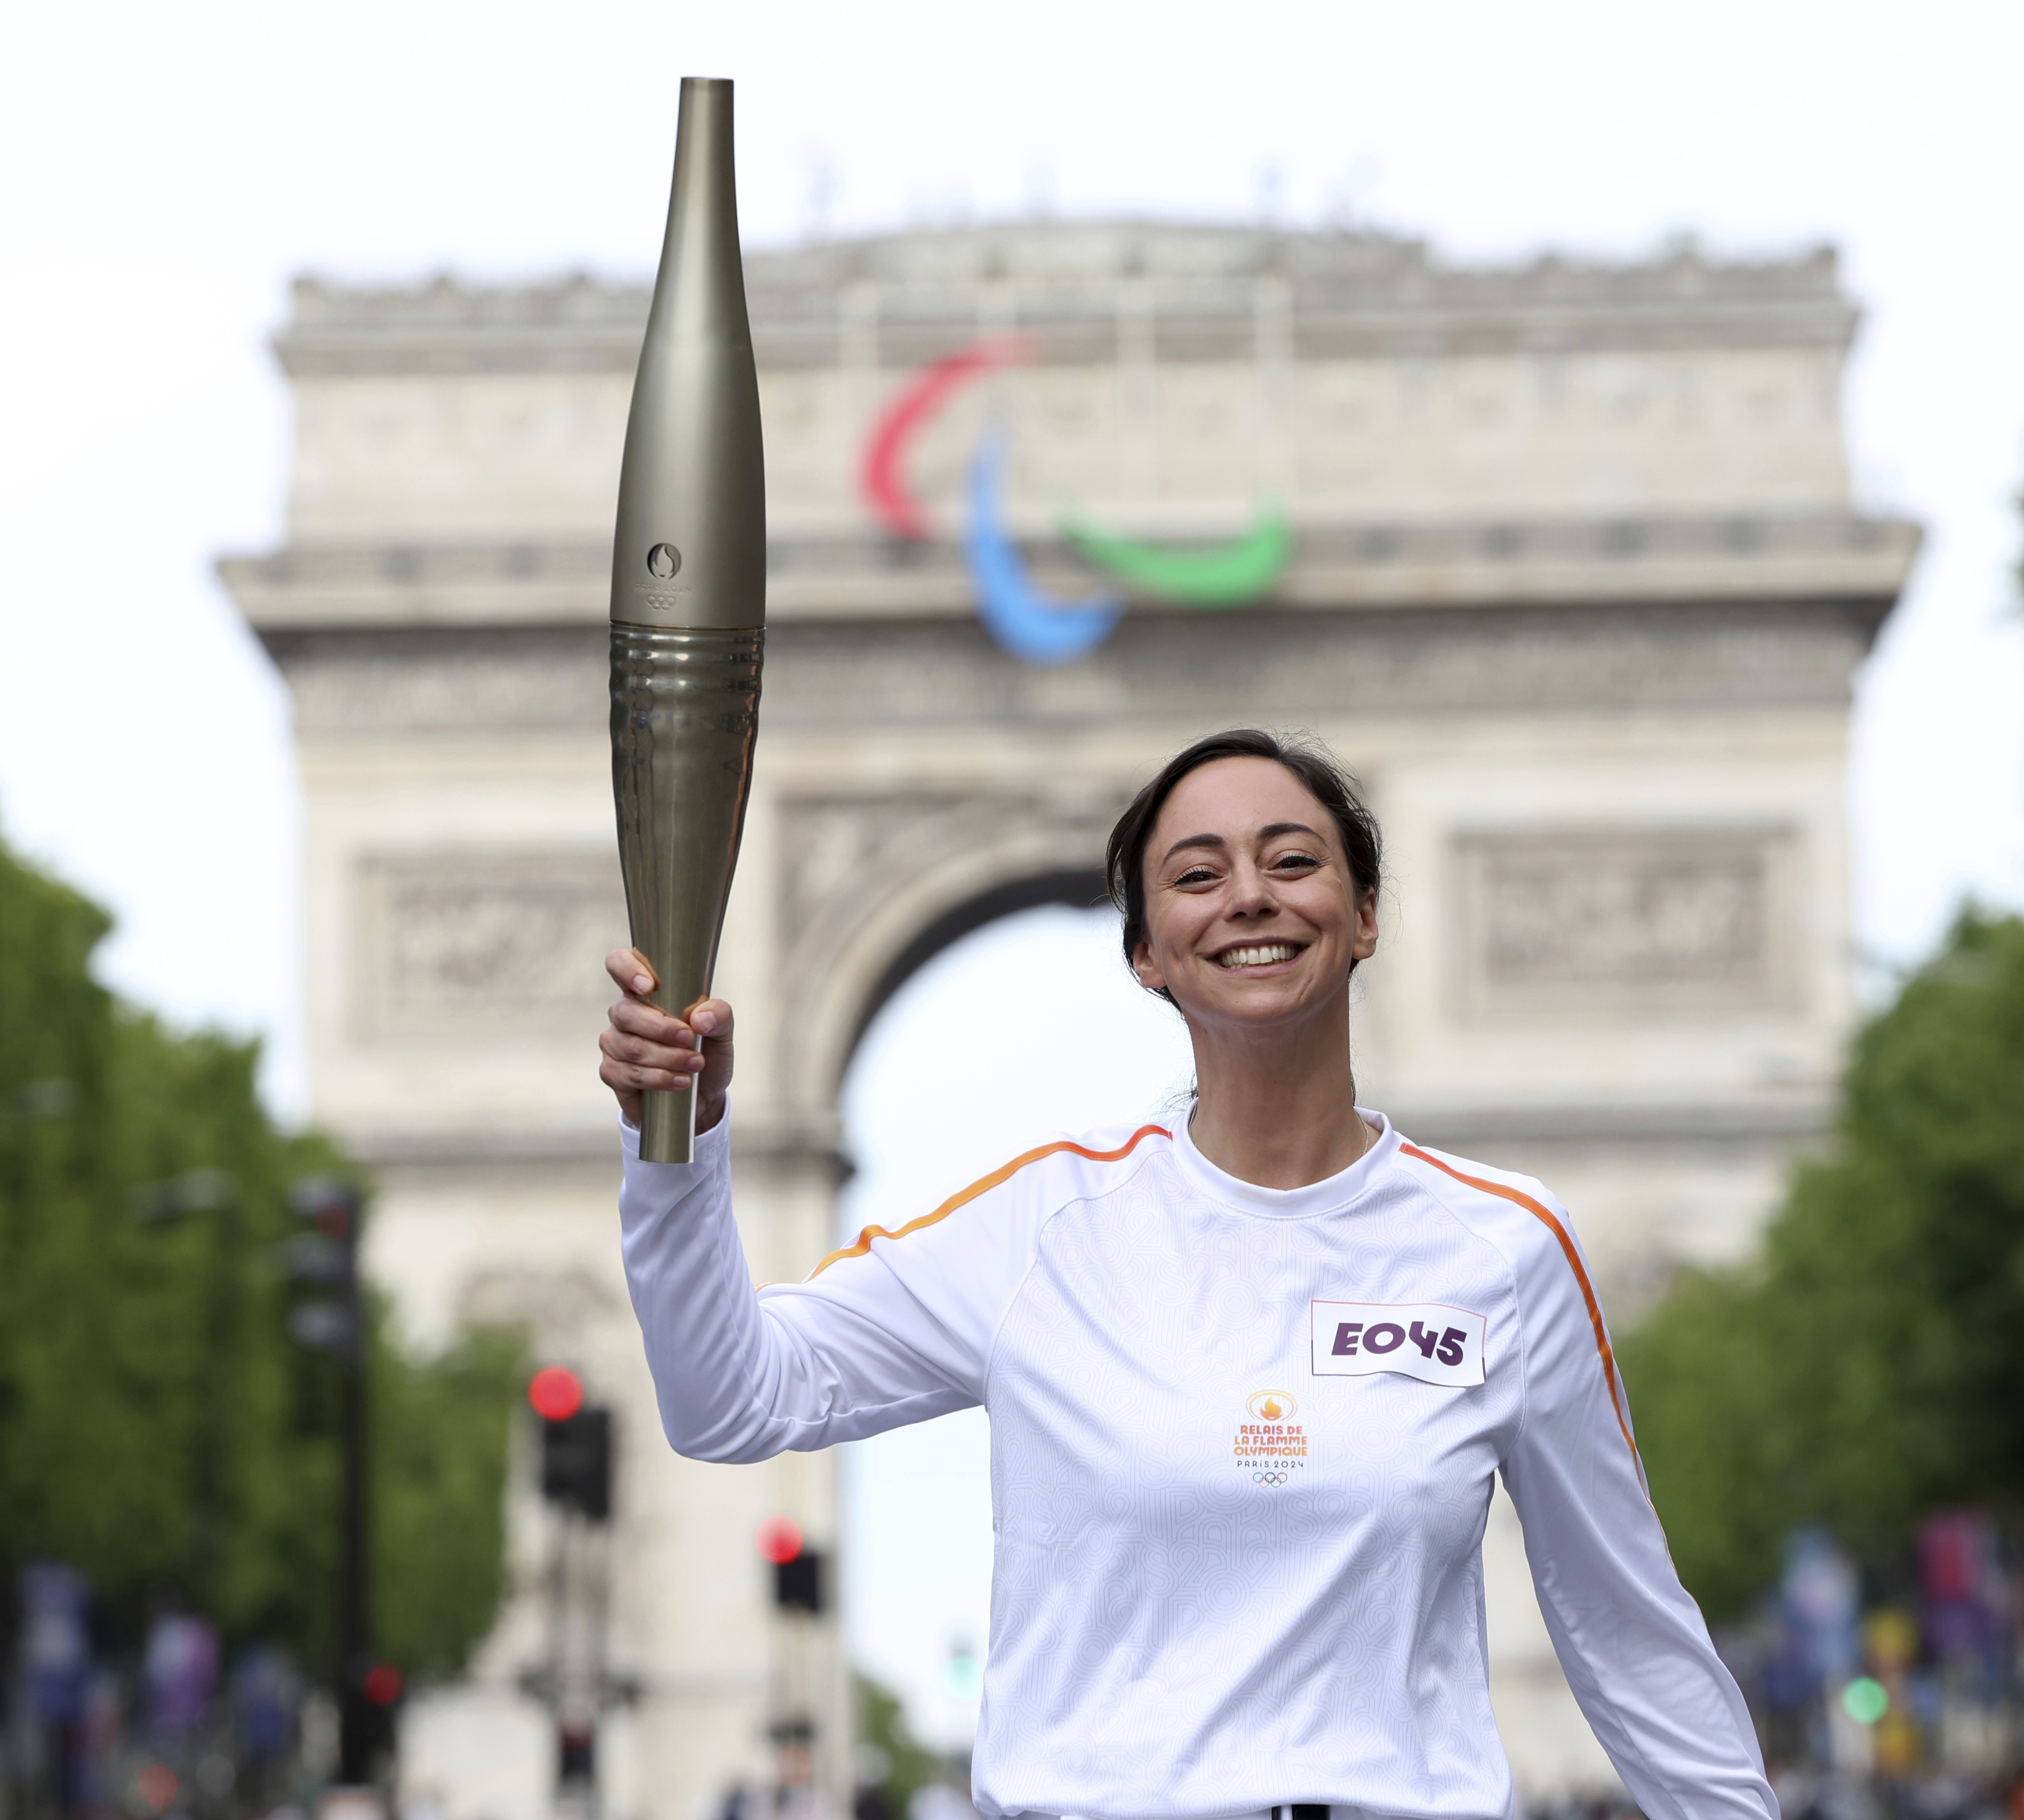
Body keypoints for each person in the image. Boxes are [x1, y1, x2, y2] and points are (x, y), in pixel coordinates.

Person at [602, 730, 1775, 1820]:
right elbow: (727, 1401)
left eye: (1294, 859)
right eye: (1198, 874)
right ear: (1145, 951)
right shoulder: (1040, 1229)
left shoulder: (1504, 1244)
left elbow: (1629, 1632)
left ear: (1366, 913)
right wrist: (678, 1144)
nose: (1251, 896)